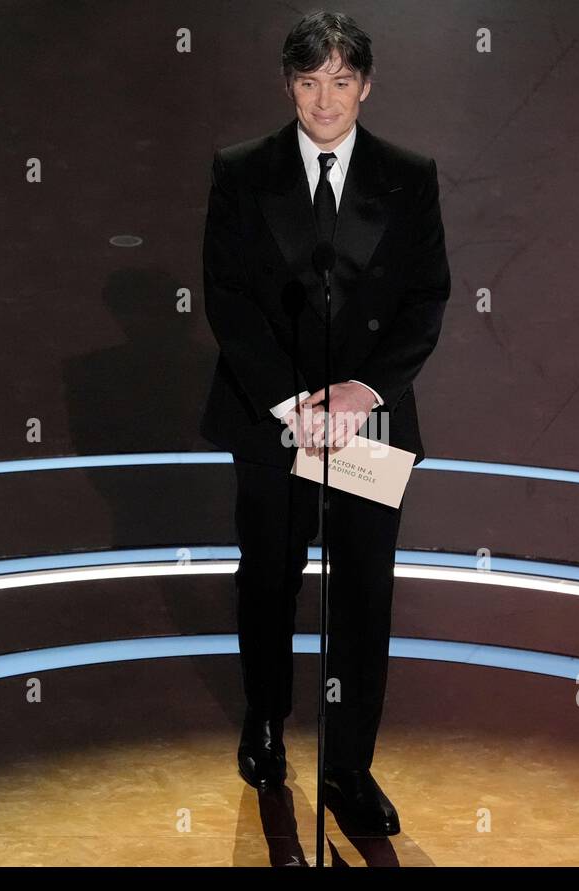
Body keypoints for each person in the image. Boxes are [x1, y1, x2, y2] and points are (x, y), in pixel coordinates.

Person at [198, 10, 450, 837]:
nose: (326, 100)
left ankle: (347, 767)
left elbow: (425, 300)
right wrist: (294, 403)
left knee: (363, 596)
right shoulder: (242, 171)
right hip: (275, 417)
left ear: (365, 86)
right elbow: (228, 298)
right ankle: (266, 726)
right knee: (269, 578)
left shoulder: (409, 176)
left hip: (367, 425)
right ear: (289, 85)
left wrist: (361, 392)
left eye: (342, 81)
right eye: (310, 82)